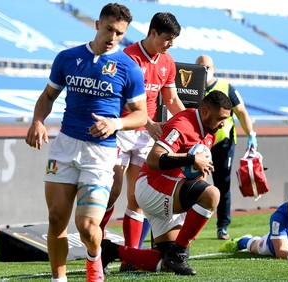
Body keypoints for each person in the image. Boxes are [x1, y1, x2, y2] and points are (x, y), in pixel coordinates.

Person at [25, 3, 147, 282]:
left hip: (100, 155)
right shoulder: (67, 58)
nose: (113, 38)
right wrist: (38, 121)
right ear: (97, 25)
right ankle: (60, 279)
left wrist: (115, 123)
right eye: (109, 30)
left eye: (120, 33)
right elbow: (48, 97)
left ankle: (94, 256)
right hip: (66, 146)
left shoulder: (128, 68)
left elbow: (141, 115)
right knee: (56, 219)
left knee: (87, 226)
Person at [101, 90, 233, 275]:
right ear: (205, 111)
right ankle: (179, 253)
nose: (223, 123)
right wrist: (190, 158)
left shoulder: (210, 131)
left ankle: (111, 251)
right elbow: (154, 160)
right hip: (152, 185)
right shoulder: (182, 125)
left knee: (165, 264)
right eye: (221, 117)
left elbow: (198, 173)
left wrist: (192, 217)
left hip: (172, 189)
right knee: (212, 194)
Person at [98, 12, 185, 270]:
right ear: (153, 33)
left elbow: (171, 100)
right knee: (112, 192)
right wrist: (147, 122)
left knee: (137, 197)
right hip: (122, 129)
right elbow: (118, 99)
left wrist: (190, 123)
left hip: (147, 134)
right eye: (167, 38)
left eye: (174, 40)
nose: (171, 44)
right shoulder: (127, 58)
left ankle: (128, 256)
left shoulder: (167, 62)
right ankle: (96, 246)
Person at [195, 55, 257, 240]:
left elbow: (242, 112)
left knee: (222, 185)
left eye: (206, 67)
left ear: (213, 68)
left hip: (223, 142)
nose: (203, 70)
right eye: (199, 67)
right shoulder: (191, 88)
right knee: (196, 183)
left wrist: (251, 134)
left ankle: (222, 226)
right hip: (199, 143)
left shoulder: (227, 87)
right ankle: (193, 225)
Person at [219, 185, 288, 260]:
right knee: (254, 247)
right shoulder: (279, 216)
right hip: (274, 246)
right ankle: (242, 241)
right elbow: (280, 252)